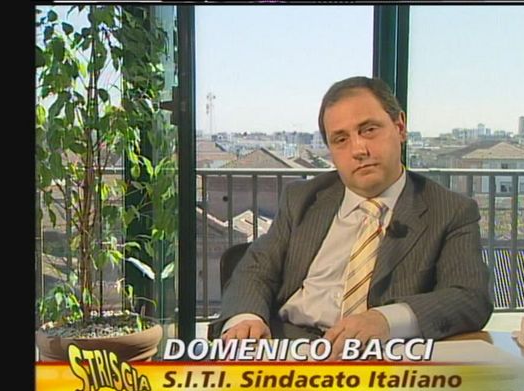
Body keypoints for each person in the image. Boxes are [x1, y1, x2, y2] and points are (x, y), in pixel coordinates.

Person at [210, 76, 492, 357]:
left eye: (369, 130)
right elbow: (256, 269)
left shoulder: (450, 210)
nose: (358, 150)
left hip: (383, 359)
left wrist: (386, 320)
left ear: (400, 127)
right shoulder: (303, 199)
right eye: (341, 139)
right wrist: (246, 319)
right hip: (288, 349)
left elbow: (469, 297)